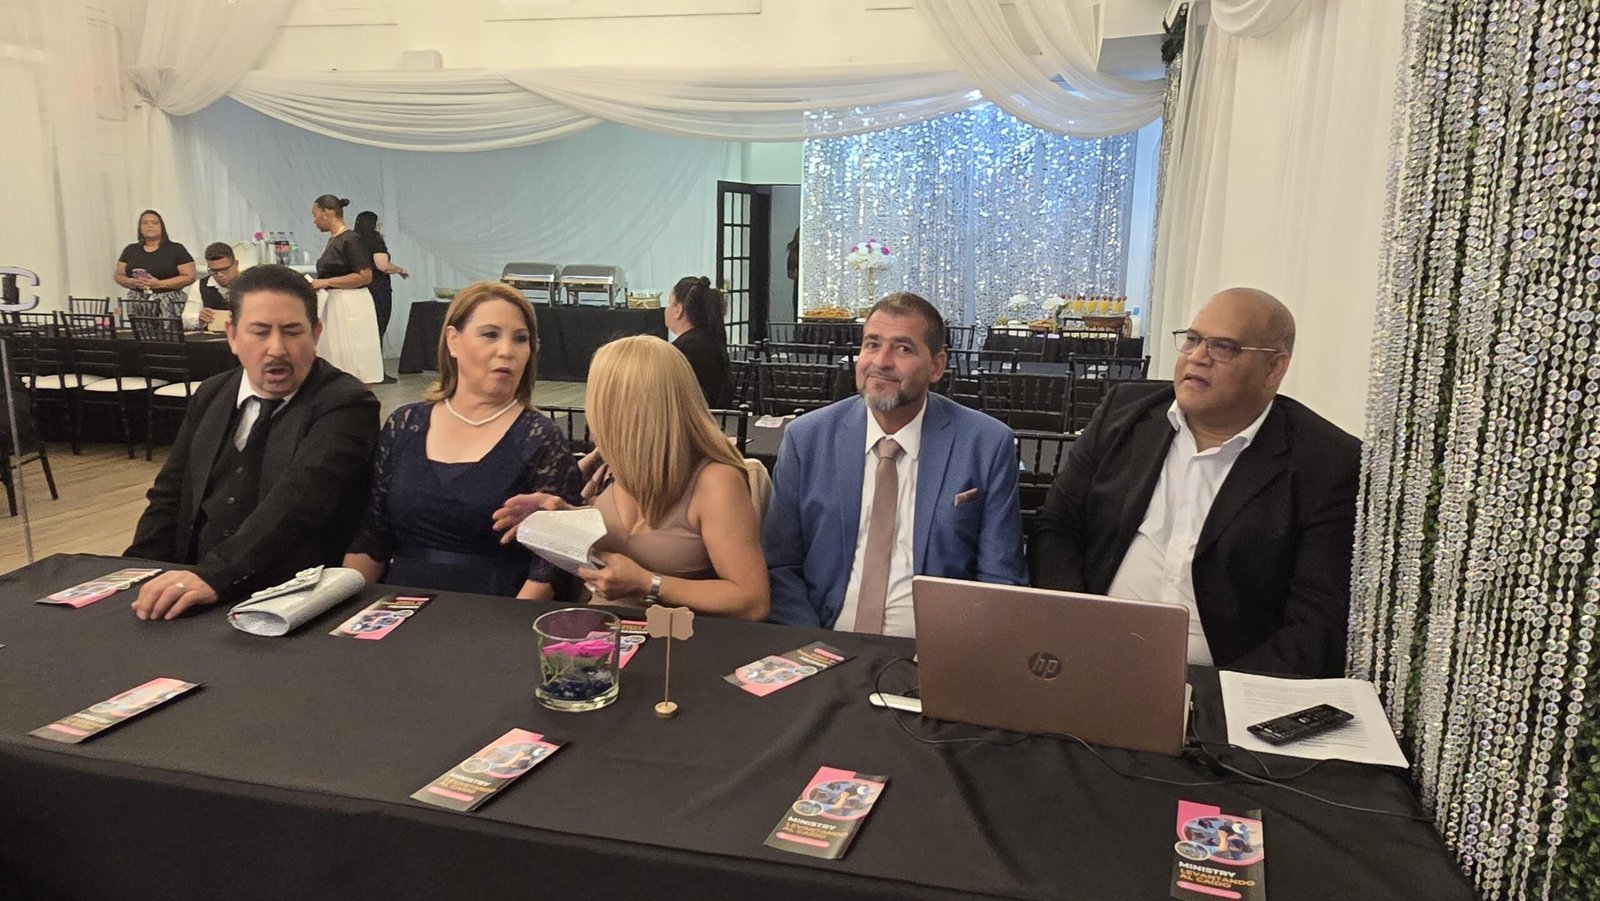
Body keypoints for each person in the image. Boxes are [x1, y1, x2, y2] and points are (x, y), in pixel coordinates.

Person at [1029, 287, 1360, 678]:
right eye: (1192, 339)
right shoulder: (1123, 414)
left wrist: (1210, 696)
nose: (1197, 357)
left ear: (1274, 368)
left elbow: (1315, 627)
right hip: (1090, 658)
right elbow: (1057, 528)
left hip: (1224, 683)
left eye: (1223, 347)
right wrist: (1073, 631)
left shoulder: (1326, 462)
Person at [124, 264, 381, 620]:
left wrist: (215, 575)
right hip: (193, 587)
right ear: (232, 335)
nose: (276, 348)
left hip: (290, 601)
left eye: (292, 331)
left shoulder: (347, 403)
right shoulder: (212, 394)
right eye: (260, 332)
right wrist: (134, 572)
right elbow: (170, 495)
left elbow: (299, 502)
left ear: (316, 333)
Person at [762, 292, 1026, 637]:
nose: (881, 362)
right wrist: (813, 644)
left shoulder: (985, 444)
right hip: (821, 637)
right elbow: (780, 566)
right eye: (872, 344)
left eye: (903, 349)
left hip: (934, 647)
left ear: (936, 366)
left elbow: (999, 579)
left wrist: (953, 652)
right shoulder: (807, 439)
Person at [491, 335, 769, 620]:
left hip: (677, 637)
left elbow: (752, 601)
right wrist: (564, 518)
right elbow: (617, 540)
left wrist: (648, 583)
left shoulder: (715, 482)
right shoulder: (617, 463)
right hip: (603, 629)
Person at [343, 282, 582, 598]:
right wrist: (345, 608)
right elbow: (372, 537)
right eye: (490, 334)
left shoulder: (541, 439)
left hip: (496, 608)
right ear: (453, 341)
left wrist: (510, 620)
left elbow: (551, 566)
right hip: (398, 604)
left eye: (520, 339)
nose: (507, 350)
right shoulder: (404, 425)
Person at [309, 194, 384, 384]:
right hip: (335, 303)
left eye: (315, 214)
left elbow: (365, 276)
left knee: (355, 357)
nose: (314, 220)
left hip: (350, 303)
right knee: (337, 357)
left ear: (328, 213)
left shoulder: (351, 239)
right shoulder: (334, 240)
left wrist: (326, 282)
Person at [663, 275, 733, 408]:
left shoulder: (682, 350)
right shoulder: (710, 339)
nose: (665, 309)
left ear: (678, 310)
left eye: (669, 302)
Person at [114, 210, 195, 319]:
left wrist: (159, 284)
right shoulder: (131, 249)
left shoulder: (176, 249)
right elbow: (119, 275)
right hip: (137, 302)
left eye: (154, 223)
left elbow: (189, 276)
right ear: (140, 228)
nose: (150, 226)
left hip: (169, 302)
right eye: (145, 223)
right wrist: (130, 282)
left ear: (162, 227)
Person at [352, 210, 408, 347]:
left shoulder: (352, 241)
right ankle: (376, 359)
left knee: (361, 330)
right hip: (377, 289)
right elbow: (383, 266)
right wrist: (399, 270)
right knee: (378, 328)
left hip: (357, 288)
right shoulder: (376, 241)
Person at [183, 242, 238, 330]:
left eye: (224, 270)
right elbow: (185, 320)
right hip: (211, 337)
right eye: (214, 271)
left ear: (236, 264)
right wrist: (199, 318)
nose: (219, 275)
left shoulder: (251, 285)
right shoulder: (200, 285)